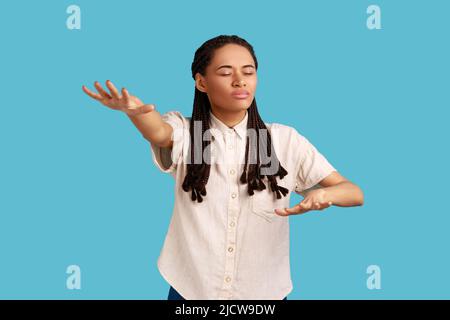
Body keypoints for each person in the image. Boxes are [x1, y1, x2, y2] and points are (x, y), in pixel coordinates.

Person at [82, 34, 364, 300]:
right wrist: (135, 114)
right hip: (191, 289)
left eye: (249, 71)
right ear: (201, 82)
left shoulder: (283, 139)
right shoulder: (188, 133)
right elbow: (159, 132)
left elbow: (353, 192)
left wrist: (324, 195)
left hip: (263, 293)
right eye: (226, 73)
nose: (240, 81)